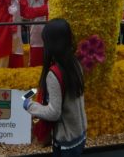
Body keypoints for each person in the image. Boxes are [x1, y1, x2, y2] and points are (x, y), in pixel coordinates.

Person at [24, 18, 86, 156]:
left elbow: (54, 112)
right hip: (79, 135)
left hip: (66, 141)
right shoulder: (76, 63)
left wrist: (30, 106)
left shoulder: (54, 74)